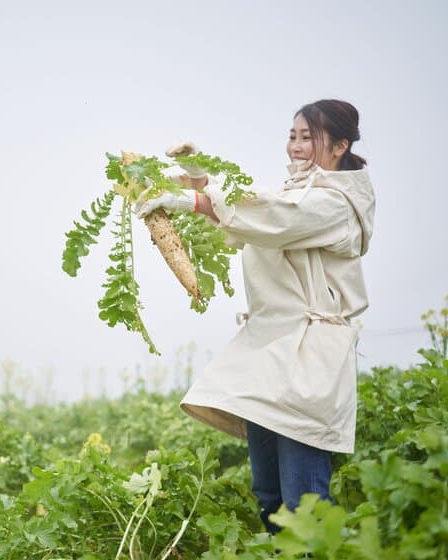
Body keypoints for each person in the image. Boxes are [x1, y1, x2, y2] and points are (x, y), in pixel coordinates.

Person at [133, 99, 375, 533]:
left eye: (308, 137)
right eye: (292, 135)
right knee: (270, 496)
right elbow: (257, 209)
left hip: (307, 356)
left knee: (304, 501)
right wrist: (201, 174)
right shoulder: (294, 190)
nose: (295, 146)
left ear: (340, 146)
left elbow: (275, 219)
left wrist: (194, 199)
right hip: (269, 350)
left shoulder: (337, 203)